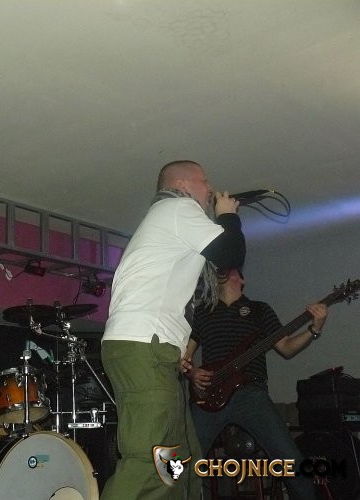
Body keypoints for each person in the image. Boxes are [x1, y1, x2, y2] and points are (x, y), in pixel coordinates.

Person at [101, 160, 246, 499]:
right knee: (149, 459)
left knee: (178, 461)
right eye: (204, 181)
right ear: (182, 184)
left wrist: (175, 346)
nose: (210, 188)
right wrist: (228, 216)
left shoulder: (167, 219)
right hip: (144, 347)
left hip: (148, 348)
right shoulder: (178, 208)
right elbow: (230, 253)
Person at [184, 268, 326, 500]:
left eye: (230, 268)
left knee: (291, 462)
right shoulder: (202, 312)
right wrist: (192, 374)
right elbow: (185, 358)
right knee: (184, 464)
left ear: (240, 278)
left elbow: (287, 348)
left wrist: (315, 328)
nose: (222, 270)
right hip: (208, 396)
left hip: (250, 395)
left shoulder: (259, 310)